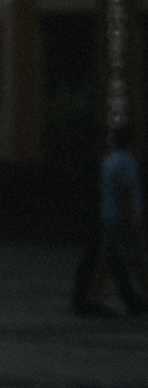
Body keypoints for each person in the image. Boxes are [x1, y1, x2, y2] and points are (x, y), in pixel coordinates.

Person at [72, 127, 145, 317]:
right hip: (120, 219)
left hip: (108, 217)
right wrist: (133, 220)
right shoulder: (126, 161)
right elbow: (126, 191)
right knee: (135, 260)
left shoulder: (108, 160)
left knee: (105, 260)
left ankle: (94, 299)